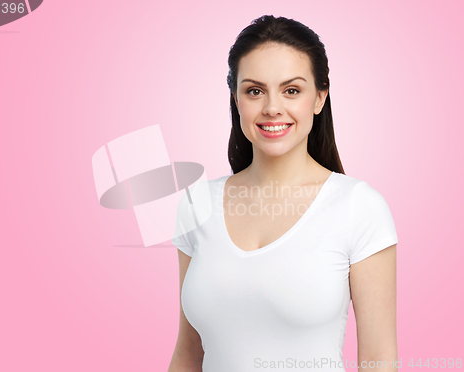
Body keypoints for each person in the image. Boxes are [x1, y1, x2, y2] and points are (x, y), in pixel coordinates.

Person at [168, 15, 398, 372]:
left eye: (291, 90)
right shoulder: (196, 205)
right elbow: (187, 354)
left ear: (319, 97)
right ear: (236, 99)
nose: (272, 107)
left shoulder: (358, 207)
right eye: (254, 90)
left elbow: (379, 361)